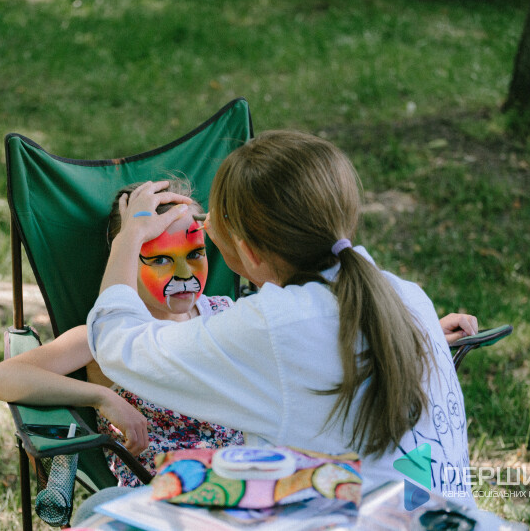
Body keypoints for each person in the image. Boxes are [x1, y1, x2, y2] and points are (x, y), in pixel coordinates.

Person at [86, 130, 476, 505]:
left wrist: (130, 238)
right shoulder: (406, 296)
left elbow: (115, 342)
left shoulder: (270, 326)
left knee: (99, 508)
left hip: (350, 515)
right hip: (444, 517)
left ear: (250, 253)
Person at [0, 180, 243, 487]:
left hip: (249, 470)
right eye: (161, 259)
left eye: (195, 253)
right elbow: (0, 378)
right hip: (165, 489)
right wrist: (102, 397)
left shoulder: (224, 314)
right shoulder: (107, 336)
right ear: (126, 256)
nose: (185, 274)